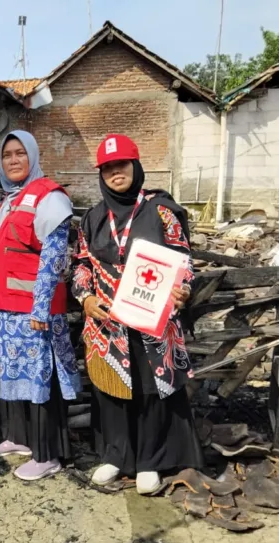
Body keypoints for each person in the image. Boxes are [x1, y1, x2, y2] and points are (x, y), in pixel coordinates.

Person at [71, 134, 203, 495]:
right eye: (108, 168)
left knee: (150, 390)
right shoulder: (92, 218)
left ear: (136, 166)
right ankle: (116, 456)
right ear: (101, 174)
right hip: (107, 323)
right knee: (111, 388)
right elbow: (81, 265)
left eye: (122, 165)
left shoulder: (161, 211)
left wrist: (182, 288)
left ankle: (149, 461)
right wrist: (85, 297)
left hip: (152, 321)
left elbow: (184, 259)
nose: (116, 173)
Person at [0, 130, 81, 481]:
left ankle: (47, 453)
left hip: (35, 311)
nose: (13, 160)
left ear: (33, 156)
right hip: (7, 307)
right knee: (13, 371)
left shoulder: (49, 197)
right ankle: (19, 437)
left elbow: (54, 257)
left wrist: (40, 309)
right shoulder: (12, 199)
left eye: (20, 153)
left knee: (40, 376)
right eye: (7, 154)